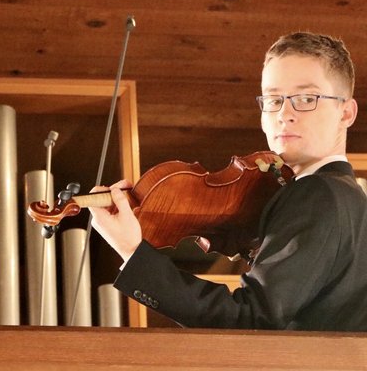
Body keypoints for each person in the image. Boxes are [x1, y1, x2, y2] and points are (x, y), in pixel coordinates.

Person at [89, 32, 367, 331]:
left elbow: (251, 319)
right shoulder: (349, 199)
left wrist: (133, 251)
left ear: (346, 112)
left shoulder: (317, 194)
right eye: (273, 99)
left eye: (306, 98)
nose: (285, 114)